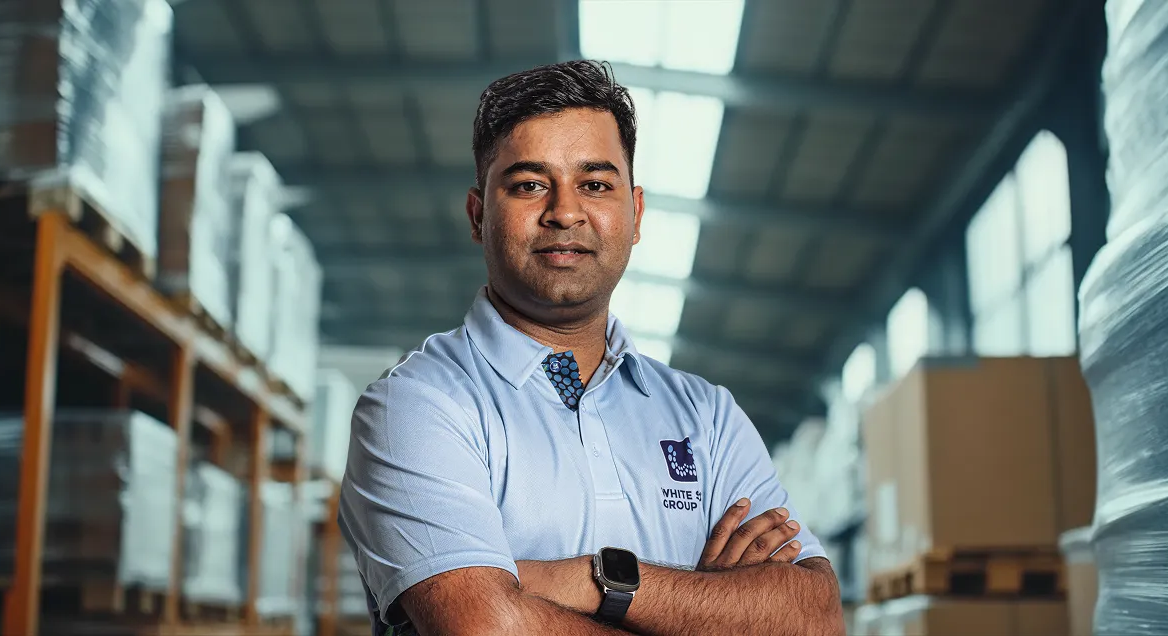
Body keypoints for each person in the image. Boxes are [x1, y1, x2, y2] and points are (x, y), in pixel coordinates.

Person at [338, 60, 845, 635]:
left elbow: (815, 617)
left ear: (635, 214)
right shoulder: (415, 407)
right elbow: (484, 628)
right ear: (479, 216)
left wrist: (588, 579)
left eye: (596, 184)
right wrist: (708, 610)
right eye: (529, 185)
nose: (564, 212)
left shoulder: (708, 417)